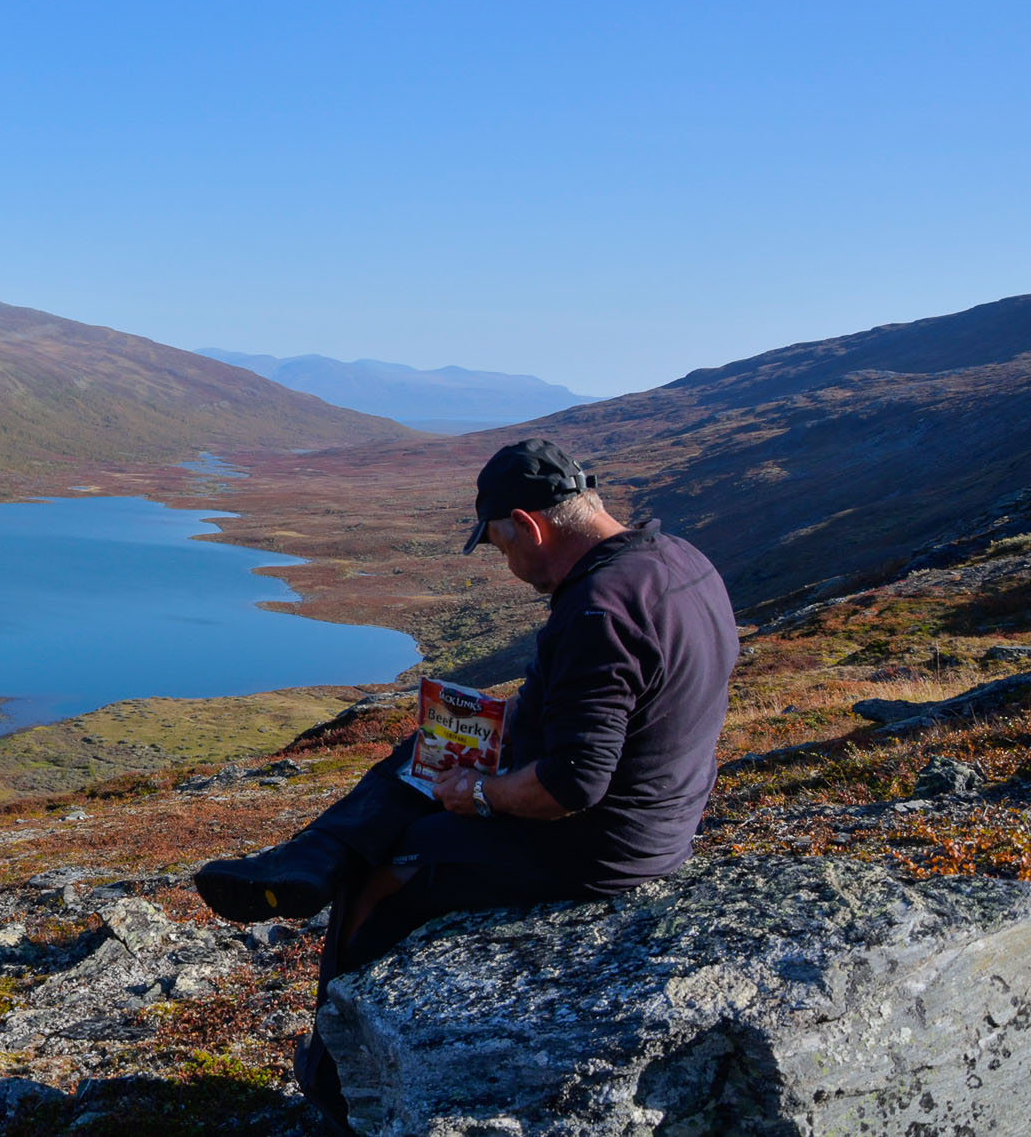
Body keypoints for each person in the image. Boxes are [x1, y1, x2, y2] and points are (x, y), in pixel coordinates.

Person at [192, 438, 737, 1130]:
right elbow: (622, 707)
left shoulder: (599, 609)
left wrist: (480, 795)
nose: (507, 564)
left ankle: (332, 1074)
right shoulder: (676, 560)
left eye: (501, 544)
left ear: (531, 525)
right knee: (424, 753)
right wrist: (496, 732)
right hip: (661, 811)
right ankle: (306, 861)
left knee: (388, 864)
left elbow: (573, 783)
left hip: (600, 844)